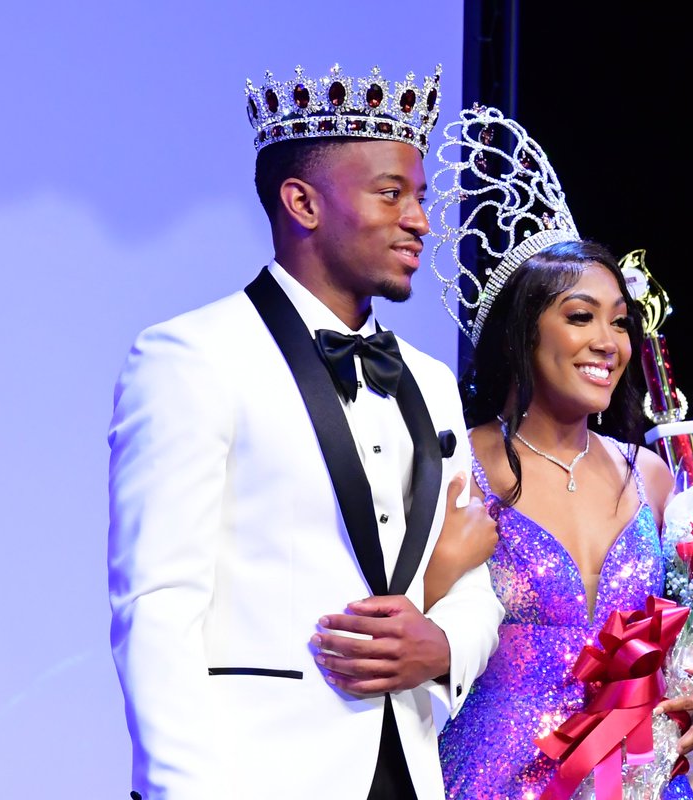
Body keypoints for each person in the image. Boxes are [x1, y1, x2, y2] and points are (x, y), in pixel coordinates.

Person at [107, 63, 504, 800]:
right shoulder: (192, 357)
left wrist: (444, 643)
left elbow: (473, 582)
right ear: (303, 203)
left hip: (409, 770)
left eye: (419, 197)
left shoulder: (429, 381)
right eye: (391, 194)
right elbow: (156, 607)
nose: (420, 219)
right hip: (257, 776)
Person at [420, 106, 693, 799]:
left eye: (618, 322)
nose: (609, 341)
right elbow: (413, 630)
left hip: (639, 780)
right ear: (523, 333)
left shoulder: (652, 476)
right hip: (494, 781)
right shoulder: (460, 467)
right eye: (580, 317)